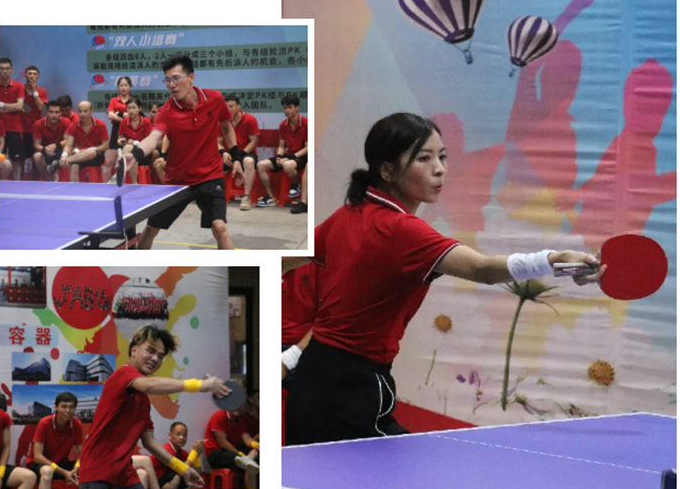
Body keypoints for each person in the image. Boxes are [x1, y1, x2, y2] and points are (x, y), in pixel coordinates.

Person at [282, 113, 605, 446]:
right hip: (350, 388)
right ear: (387, 170)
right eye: (424, 158)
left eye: (442, 156)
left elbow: (283, 261)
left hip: (313, 378)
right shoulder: (403, 230)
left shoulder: (349, 213)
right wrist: (555, 260)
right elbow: (482, 269)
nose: (439, 169)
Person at [77, 324, 229, 489]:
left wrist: (183, 469)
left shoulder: (142, 400)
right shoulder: (123, 374)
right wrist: (199, 385)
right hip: (97, 473)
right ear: (134, 350)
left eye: (161, 356)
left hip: (124, 474)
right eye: (150, 351)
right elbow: (148, 385)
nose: (155, 358)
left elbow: (149, 442)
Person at [122, 54, 244, 250]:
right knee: (151, 229)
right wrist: (134, 155)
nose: (171, 84)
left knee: (220, 228)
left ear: (191, 77)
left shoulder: (214, 99)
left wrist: (236, 156)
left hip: (209, 175)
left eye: (176, 78)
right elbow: (154, 137)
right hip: (178, 180)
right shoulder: (166, 112)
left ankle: (233, 267)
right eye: (167, 80)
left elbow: (226, 126)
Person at [26, 392, 83, 489]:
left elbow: (83, 453)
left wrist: (76, 468)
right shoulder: (44, 423)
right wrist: (64, 472)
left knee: (89, 468)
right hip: (40, 465)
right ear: (56, 407)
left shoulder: (77, 424)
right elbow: (37, 456)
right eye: (64, 407)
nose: (68, 411)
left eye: (71, 407)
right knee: (47, 471)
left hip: (61, 464)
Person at [256, 95, 308, 206]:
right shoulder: (283, 125)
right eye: (285, 108)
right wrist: (279, 157)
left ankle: (296, 184)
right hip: (289, 155)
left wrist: (290, 158)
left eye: (290, 107)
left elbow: (308, 148)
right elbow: (281, 146)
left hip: (303, 156)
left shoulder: (306, 123)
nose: (287, 110)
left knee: (288, 165)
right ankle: (271, 197)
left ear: (297, 107)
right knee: (260, 165)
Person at [218, 94, 260, 211]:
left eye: (231, 106)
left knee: (249, 161)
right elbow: (218, 142)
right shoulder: (222, 121)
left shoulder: (250, 120)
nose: (229, 110)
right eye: (226, 107)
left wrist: (238, 156)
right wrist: (223, 152)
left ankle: (246, 197)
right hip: (228, 154)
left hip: (245, 153)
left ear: (238, 106)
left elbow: (254, 142)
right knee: (211, 160)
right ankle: (215, 195)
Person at [204, 407, 259, 489]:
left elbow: (247, 439)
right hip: (216, 454)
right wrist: (240, 454)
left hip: (231, 453)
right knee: (245, 461)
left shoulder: (240, 420)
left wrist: (257, 445)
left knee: (256, 460)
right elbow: (222, 442)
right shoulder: (219, 415)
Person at [147, 422, 204, 489]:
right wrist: (193, 453)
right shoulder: (165, 450)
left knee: (191, 477)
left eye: (184, 435)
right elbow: (182, 470)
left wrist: (197, 455)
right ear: (170, 435)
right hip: (153, 487)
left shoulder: (183, 453)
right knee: (176, 477)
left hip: (166, 483)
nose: (182, 438)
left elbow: (197, 473)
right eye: (178, 434)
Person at [58, 101, 109, 183]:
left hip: (96, 156)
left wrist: (89, 150)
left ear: (91, 112)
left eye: (85, 111)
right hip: (79, 155)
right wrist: (64, 156)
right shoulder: (73, 125)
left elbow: (106, 145)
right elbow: (68, 145)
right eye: (80, 111)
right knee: (74, 167)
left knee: (91, 152)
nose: (82, 114)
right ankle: (74, 190)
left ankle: (61, 162)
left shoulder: (101, 124)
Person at [0, 58, 25, 181]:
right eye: (1, 69)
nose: (4, 71)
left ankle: (17, 186)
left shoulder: (18, 86)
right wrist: (11, 108)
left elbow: (19, 106)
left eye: (7, 68)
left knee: (16, 160)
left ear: (12, 70)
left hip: (15, 128)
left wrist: (1, 105)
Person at [117, 97, 154, 185]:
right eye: (129, 108)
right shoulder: (123, 122)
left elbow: (149, 142)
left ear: (139, 108)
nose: (131, 111)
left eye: (134, 108)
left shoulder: (146, 122)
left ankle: (122, 171)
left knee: (131, 150)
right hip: (128, 149)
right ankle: (134, 182)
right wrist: (121, 141)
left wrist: (135, 142)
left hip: (144, 152)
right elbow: (119, 139)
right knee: (129, 148)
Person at [104, 76, 133, 183]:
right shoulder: (114, 100)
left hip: (130, 130)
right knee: (109, 162)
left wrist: (119, 113)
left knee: (125, 162)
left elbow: (134, 115)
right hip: (116, 130)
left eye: (126, 85)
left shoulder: (133, 101)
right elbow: (110, 115)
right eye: (121, 85)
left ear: (130, 87)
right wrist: (125, 117)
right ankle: (103, 187)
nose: (123, 88)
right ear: (118, 87)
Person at [21, 65, 48, 178]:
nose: (32, 76)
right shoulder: (19, 89)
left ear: (38, 77)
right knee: (20, 158)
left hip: (36, 131)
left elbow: (41, 108)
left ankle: (36, 182)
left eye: (34, 74)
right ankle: (19, 182)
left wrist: (34, 92)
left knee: (36, 158)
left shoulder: (42, 91)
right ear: (25, 75)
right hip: (21, 129)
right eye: (29, 73)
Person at [33, 101, 69, 181]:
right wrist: (45, 149)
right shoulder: (38, 124)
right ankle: (48, 178)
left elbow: (67, 140)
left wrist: (55, 145)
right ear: (47, 113)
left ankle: (57, 174)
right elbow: (36, 145)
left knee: (70, 150)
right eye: (51, 112)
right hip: (46, 151)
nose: (54, 115)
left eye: (56, 112)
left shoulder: (66, 122)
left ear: (61, 113)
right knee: (37, 156)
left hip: (60, 150)